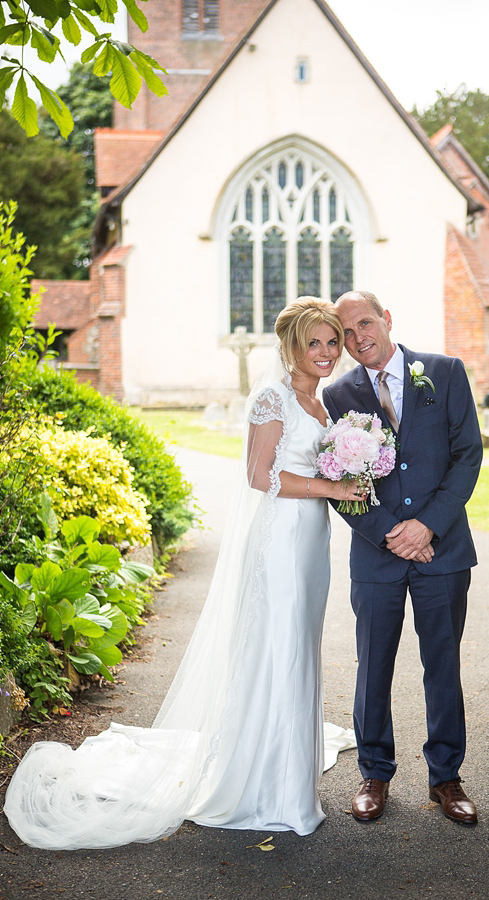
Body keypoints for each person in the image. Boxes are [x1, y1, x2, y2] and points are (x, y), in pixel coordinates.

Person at [4, 297, 361, 850]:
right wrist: (332, 486)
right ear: (290, 346)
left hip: (312, 541)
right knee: (277, 645)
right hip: (281, 540)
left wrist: (350, 476)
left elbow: (320, 461)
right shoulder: (272, 398)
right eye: (313, 342)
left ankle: (289, 765)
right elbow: (257, 475)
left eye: (332, 341)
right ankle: (269, 785)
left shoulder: (322, 404)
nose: (325, 352)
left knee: (299, 643)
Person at [322, 290, 483, 826]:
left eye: (364, 323)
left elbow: (467, 457)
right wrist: (392, 532)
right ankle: (374, 773)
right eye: (345, 333)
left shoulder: (444, 371)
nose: (357, 337)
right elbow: (338, 479)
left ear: (386, 320)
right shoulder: (337, 394)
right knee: (373, 668)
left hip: (443, 550)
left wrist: (426, 525)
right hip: (378, 555)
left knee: (443, 665)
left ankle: (447, 778)